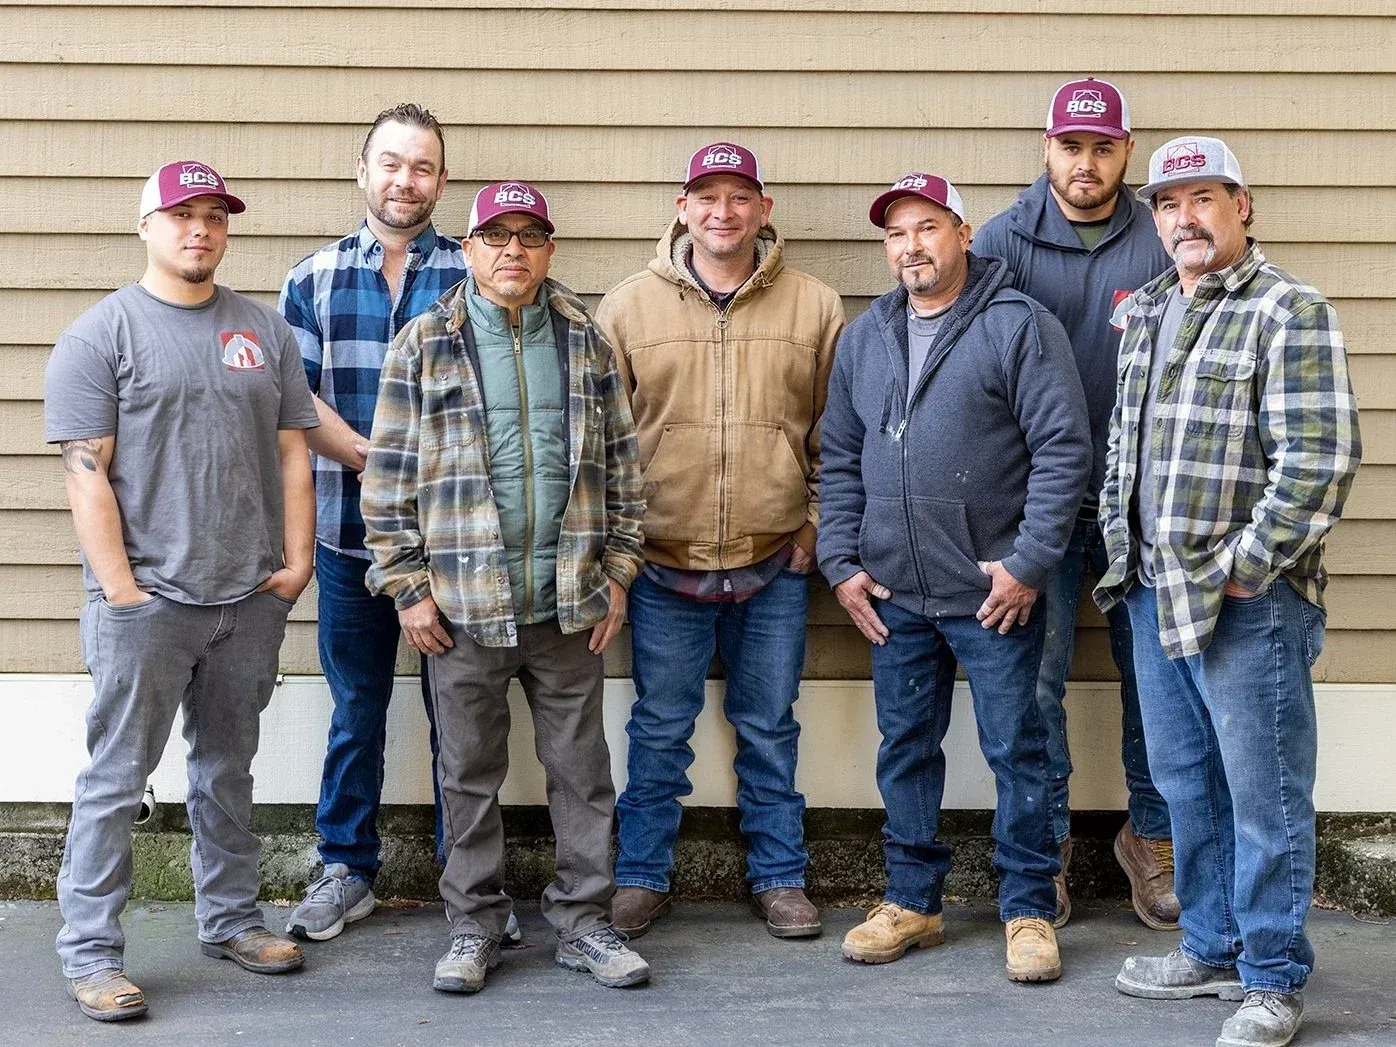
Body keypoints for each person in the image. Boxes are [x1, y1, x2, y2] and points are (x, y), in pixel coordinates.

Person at [1098, 137, 1361, 1047]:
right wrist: (1117, 551)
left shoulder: (1290, 310)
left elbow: (1320, 463)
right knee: (1185, 787)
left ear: (1241, 205)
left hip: (1249, 605)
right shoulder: (1148, 312)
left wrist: (1248, 567)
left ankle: (1274, 976)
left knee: (1265, 795)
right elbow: (1121, 454)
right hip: (1152, 594)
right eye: (1169, 203)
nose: (1184, 218)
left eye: (1203, 198)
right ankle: (1209, 947)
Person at [45, 161, 318, 1021]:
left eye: (213, 215)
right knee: (116, 779)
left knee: (227, 768)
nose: (198, 228)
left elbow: (291, 450)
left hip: (248, 596)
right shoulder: (101, 335)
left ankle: (232, 920)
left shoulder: (263, 331)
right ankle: (91, 954)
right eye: (180, 214)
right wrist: (123, 591)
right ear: (146, 225)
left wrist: (294, 565)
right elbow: (87, 475)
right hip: (147, 604)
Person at [361, 181, 649, 993]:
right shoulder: (425, 344)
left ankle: (586, 923)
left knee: (582, 772)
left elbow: (625, 472)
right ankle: (473, 924)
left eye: (529, 235)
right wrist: (410, 588)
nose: (512, 250)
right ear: (469, 248)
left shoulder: (586, 341)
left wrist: (617, 573)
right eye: (496, 235)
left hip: (569, 609)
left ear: (550, 248)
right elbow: (386, 484)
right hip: (460, 611)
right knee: (467, 774)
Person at [817, 172, 1091, 982]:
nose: (912, 246)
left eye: (928, 227)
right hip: (894, 594)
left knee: (1019, 749)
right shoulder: (867, 338)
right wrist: (841, 563)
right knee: (905, 748)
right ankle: (913, 900)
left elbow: (1063, 451)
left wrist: (1030, 562)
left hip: (992, 593)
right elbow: (837, 457)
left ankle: (1030, 908)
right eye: (897, 233)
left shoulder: (1018, 326)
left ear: (963, 234)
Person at [594, 141, 843, 939]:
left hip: (773, 564)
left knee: (770, 725)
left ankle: (779, 876)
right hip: (664, 564)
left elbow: (838, 433)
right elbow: (603, 444)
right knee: (659, 727)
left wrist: (812, 522)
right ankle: (641, 875)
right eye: (708, 196)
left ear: (764, 210)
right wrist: (619, 561)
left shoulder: (814, 306)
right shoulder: (628, 308)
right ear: (682, 206)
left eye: (740, 197)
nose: (723, 211)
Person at [278, 104, 506, 943]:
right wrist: (384, 463)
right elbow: (295, 404)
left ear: (442, 182)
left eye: (422, 167)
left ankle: (470, 883)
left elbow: (497, 402)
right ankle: (347, 867)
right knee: (357, 707)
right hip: (344, 535)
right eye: (391, 163)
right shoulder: (312, 279)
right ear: (362, 170)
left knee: (464, 717)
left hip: (456, 543)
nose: (404, 180)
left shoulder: (473, 272)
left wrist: (421, 477)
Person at [973, 77, 1176, 929]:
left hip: (1144, 501)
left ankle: (1154, 836)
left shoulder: (1162, 234)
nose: (1086, 163)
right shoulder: (1000, 239)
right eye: (1070, 146)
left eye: (1103, 146)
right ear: (1045, 147)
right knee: (1035, 686)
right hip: (1038, 507)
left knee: (1159, 682)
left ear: (1126, 150)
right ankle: (1043, 846)